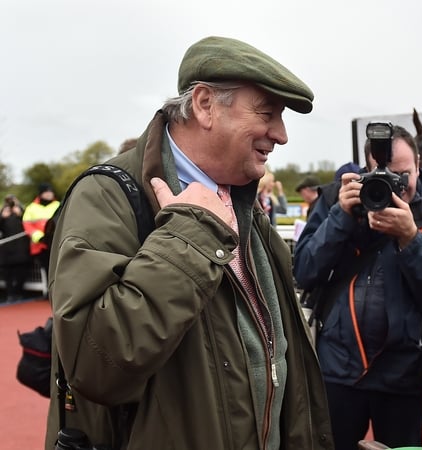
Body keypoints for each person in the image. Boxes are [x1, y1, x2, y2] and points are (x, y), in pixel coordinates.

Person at [45, 35, 333, 449]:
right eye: (267, 112)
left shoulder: (244, 203)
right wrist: (191, 232)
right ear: (203, 105)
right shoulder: (107, 194)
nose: (282, 134)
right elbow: (95, 363)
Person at [293, 125, 422, 449]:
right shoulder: (336, 201)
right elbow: (304, 270)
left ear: (419, 166)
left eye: (404, 175)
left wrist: (410, 238)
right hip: (338, 368)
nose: (396, 186)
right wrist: (341, 215)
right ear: (367, 172)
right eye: (384, 175)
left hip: (403, 373)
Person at [22, 183, 59, 278]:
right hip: (40, 246)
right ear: (41, 193)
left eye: (51, 191)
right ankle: (48, 292)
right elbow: (27, 225)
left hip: (56, 243)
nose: (49, 194)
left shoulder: (59, 205)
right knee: (46, 272)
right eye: (46, 192)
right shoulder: (31, 207)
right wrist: (39, 236)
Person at [0, 194, 32, 302]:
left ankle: (18, 292)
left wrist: (20, 214)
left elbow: (29, 224)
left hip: (21, 247)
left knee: (21, 272)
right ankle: (10, 294)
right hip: (6, 250)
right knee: (7, 273)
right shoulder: (4, 212)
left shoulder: (22, 210)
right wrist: (2, 217)